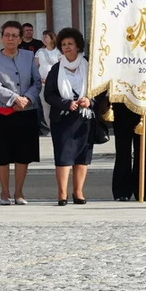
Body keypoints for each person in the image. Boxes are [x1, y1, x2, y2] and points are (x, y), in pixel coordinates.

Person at [45, 27, 108, 206]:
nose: (66, 47)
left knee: (82, 156)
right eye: (63, 44)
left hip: (84, 118)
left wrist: (91, 101)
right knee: (63, 156)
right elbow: (48, 94)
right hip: (63, 119)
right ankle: (62, 194)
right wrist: (65, 103)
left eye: (70, 44)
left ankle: (78, 192)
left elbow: (101, 90)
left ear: (78, 46)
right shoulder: (56, 69)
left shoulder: (89, 66)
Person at [0, 21, 42, 205]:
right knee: (2, 153)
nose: (10, 39)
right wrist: (14, 99)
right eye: (7, 35)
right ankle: (4, 192)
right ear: (1, 37)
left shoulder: (29, 55)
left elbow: (36, 82)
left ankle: (19, 192)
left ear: (20, 39)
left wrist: (26, 99)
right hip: (3, 111)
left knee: (23, 153)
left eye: (14, 36)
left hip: (27, 110)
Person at [111, 102, 146, 202]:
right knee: (122, 149)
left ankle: (143, 189)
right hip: (122, 103)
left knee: (144, 150)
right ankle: (122, 191)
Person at [35, 30, 60, 131]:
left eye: (46, 37)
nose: (44, 39)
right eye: (43, 37)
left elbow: (62, 67)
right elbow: (35, 67)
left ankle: (59, 128)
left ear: (52, 38)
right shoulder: (40, 52)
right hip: (43, 84)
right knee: (46, 107)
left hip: (56, 84)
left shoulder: (58, 51)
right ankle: (51, 129)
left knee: (57, 106)